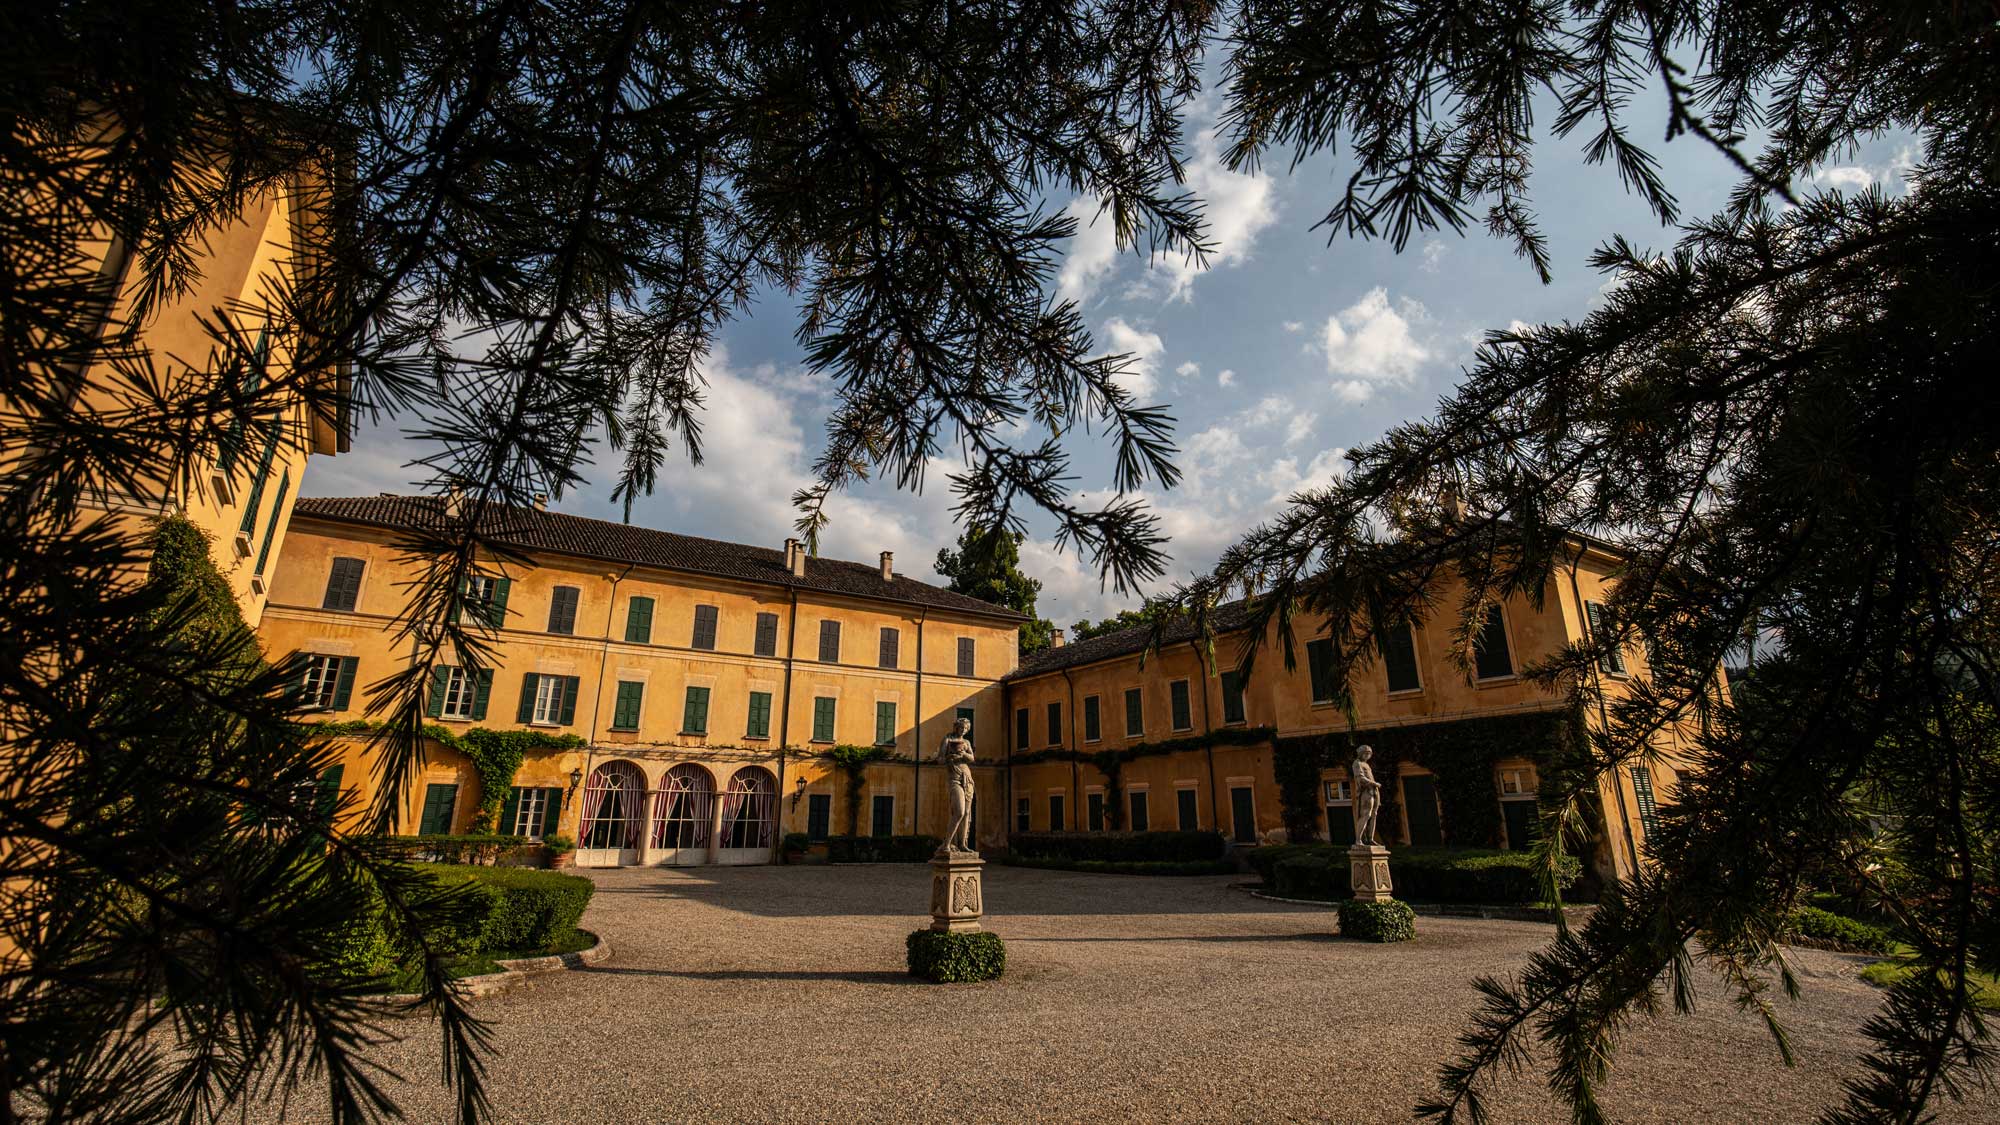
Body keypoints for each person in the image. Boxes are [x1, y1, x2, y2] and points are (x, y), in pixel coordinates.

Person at [940, 716, 976, 853]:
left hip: (967, 777)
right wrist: (949, 758)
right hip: (954, 777)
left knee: (966, 813)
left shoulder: (966, 742)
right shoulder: (948, 739)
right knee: (959, 811)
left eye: (966, 729)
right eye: (962, 727)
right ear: (956, 727)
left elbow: (972, 758)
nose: (963, 730)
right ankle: (946, 844)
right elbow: (939, 758)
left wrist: (963, 755)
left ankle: (962, 844)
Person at [1351, 744, 1382, 846]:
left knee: (1374, 814)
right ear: (1360, 753)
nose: (1367, 755)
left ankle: (1371, 839)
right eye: (1365, 753)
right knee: (1366, 814)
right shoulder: (1357, 763)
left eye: (1369, 753)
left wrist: (1374, 786)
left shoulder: (1366, 765)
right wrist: (1374, 783)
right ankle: (1358, 840)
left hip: (1374, 791)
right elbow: (1360, 778)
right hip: (1365, 792)